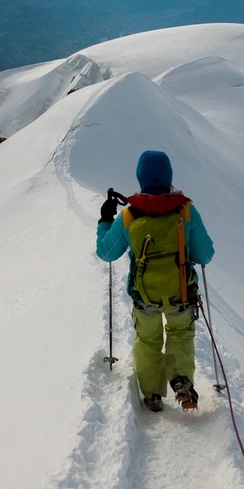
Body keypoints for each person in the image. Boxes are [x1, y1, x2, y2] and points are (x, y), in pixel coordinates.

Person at [96, 150, 215, 412]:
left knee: (148, 341)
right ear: (168, 177)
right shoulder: (185, 211)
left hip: (144, 298)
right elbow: (205, 254)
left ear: (141, 179)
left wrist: (105, 220)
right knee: (180, 335)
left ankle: (152, 394)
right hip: (181, 295)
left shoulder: (130, 216)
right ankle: (180, 380)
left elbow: (106, 252)